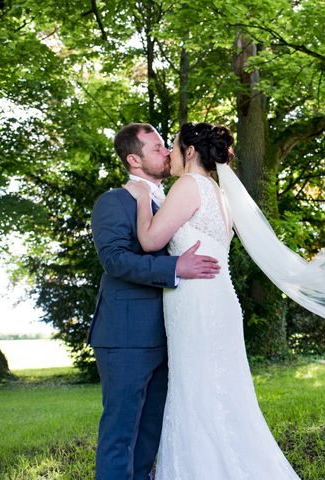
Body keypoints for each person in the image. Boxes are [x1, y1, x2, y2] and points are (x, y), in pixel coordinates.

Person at [124, 122, 300, 479]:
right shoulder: (219, 194)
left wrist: (143, 199)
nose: (169, 154)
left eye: (171, 147)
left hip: (196, 302)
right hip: (219, 298)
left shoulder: (187, 185)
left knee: (198, 392)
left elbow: (150, 241)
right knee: (222, 391)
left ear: (190, 152)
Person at [90, 123, 221, 480]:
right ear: (134, 159)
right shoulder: (113, 201)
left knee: (152, 432)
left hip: (171, 332)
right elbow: (115, 259)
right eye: (156, 148)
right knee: (121, 431)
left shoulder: (176, 197)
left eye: (166, 146)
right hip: (126, 335)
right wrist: (175, 265)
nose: (166, 152)